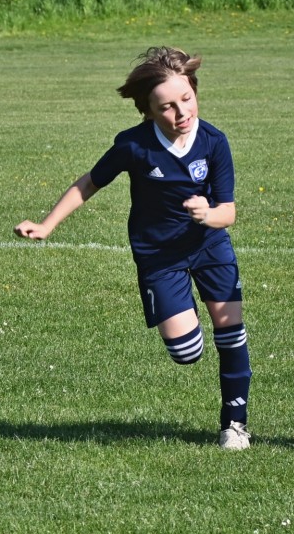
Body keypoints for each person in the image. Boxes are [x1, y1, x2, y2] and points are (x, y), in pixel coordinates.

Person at [14, 46, 253, 450]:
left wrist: (207, 213)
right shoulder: (134, 145)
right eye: (167, 107)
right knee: (186, 351)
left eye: (186, 99)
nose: (181, 112)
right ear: (148, 111)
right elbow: (89, 182)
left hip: (210, 246)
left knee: (230, 332)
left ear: (195, 91)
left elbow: (227, 212)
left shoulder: (214, 141)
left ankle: (235, 424)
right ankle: (182, 307)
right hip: (159, 256)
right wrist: (47, 224)